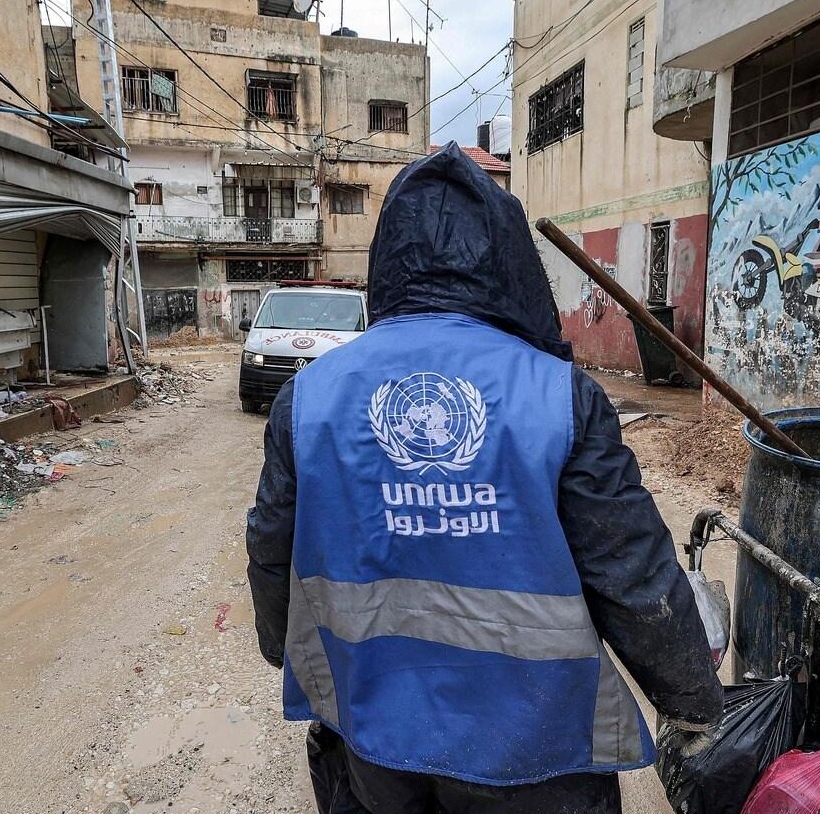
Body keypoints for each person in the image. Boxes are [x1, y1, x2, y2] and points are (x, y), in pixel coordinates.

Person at [246, 143, 723, 814]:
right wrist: (691, 697)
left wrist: (279, 645)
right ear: (507, 261)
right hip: (538, 756)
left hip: (374, 739)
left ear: (388, 258)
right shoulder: (559, 396)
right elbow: (633, 573)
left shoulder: (310, 399)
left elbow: (272, 548)